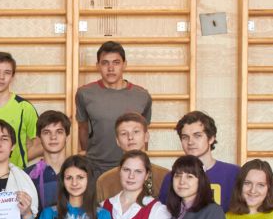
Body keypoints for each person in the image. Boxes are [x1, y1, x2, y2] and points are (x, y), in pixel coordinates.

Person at [76, 41, 153, 178]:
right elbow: (83, 128)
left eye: (116, 63)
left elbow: (143, 132)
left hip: (131, 168)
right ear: (98, 66)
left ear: (124, 64)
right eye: (105, 63)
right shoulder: (84, 94)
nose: (110, 68)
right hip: (95, 168)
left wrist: (141, 162)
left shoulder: (142, 95)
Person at [94, 113, 170, 200]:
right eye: (124, 133)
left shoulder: (165, 176)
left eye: (136, 132)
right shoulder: (105, 181)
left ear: (146, 136)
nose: (130, 137)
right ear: (117, 141)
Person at [26, 110, 72, 210]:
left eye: (59, 132)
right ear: (39, 138)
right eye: (46, 132)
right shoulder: (27, 176)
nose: (53, 137)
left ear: (67, 137)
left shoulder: (81, 172)